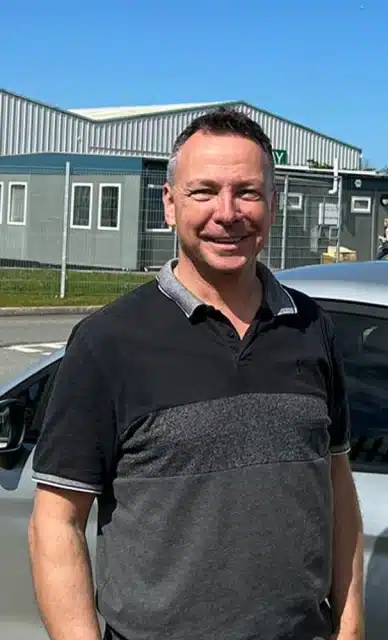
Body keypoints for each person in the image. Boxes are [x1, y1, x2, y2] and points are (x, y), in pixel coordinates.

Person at [27, 107, 364, 640]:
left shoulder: (311, 327)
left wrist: (350, 627)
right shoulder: (108, 342)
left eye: (247, 192)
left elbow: (337, 483)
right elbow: (56, 521)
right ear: (169, 203)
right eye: (203, 191)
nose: (227, 213)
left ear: (273, 203)